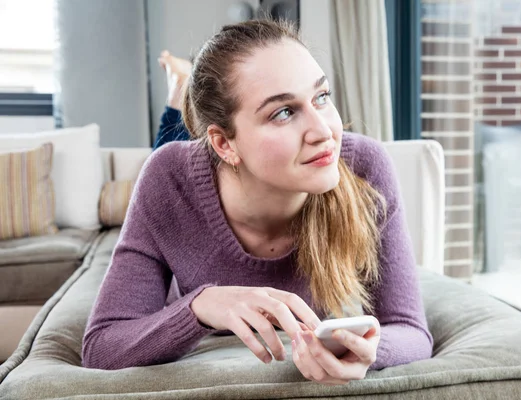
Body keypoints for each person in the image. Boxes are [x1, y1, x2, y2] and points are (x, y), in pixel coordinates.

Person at [82, 19, 433, 385]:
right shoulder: (167, 177)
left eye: (322, 98)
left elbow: (410, 331)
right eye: (283, 112)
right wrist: (201, 307)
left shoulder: (363, 165)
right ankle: (178, 87)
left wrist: (370, 351)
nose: (324, 131)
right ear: (224, 144)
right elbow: (102, 346)